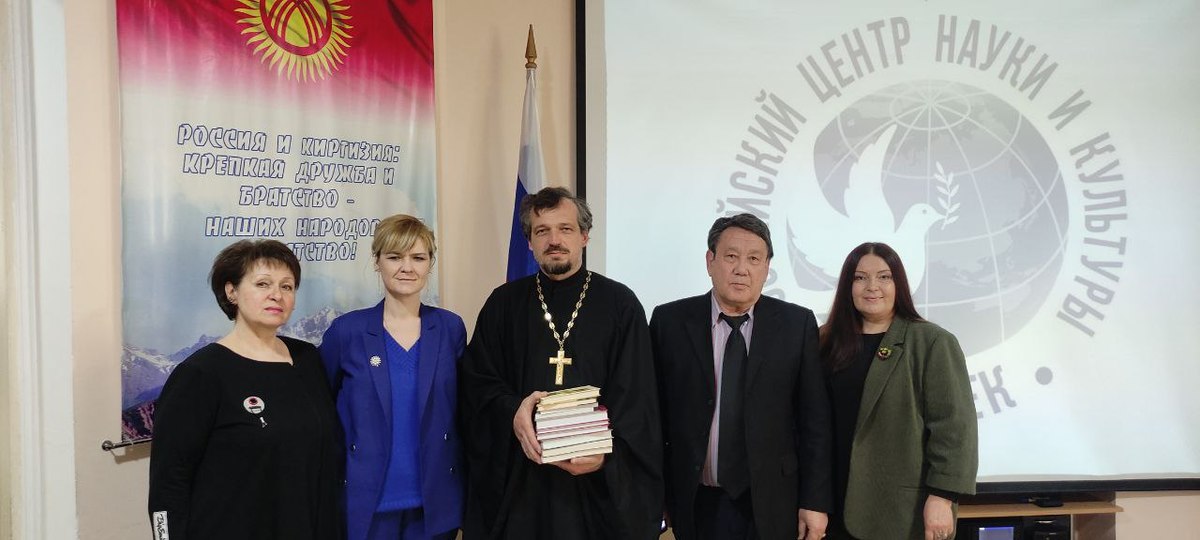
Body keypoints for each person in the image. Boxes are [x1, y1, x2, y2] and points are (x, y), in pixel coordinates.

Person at [459, 186, 663, 539]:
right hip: (521, 488)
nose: (554, 240)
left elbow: (638, 399)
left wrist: (607, 455)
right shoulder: (503, 304)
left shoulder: (620, 304)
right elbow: (477, 383)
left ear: (584, 236)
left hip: (596, 493)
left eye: (565, 229)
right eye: (542, 231)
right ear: (529, 242)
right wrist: (513, 410)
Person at [650, 213, 833, 540]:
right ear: (710, 261)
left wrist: (815, 502)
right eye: (731, 256)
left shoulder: (796, 325)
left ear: (767, 267)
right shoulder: (670, 322)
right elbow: (654, 417)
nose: (741, 269)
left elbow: (814, 422)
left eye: (754, 259)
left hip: (773, 501)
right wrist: (657, 495)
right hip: (695, 498)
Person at [148, 239, 341, 540]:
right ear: (232, 291)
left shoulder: (307, 359)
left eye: (287, 286)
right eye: (263, 284)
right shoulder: (201, 374)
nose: (277, 295)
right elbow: (168, 483)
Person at [320, 215, 467, 540]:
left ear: (430, 263)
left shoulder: (449, 328)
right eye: (395, 257)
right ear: (377, 261)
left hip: (434, 505)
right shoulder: (347, 332)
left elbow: (462, 413)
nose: (407, 267)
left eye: (418, 258)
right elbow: (321, 412)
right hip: (367, 506)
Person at [820, 242, 977, 540]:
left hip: (899, 512)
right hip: (831, 508)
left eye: (884, 277)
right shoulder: (824, 342)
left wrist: (942, 497)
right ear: (847, 286)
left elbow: (954, 428)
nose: (872, 286)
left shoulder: (932, 342)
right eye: (860, 277)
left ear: (899, 284)